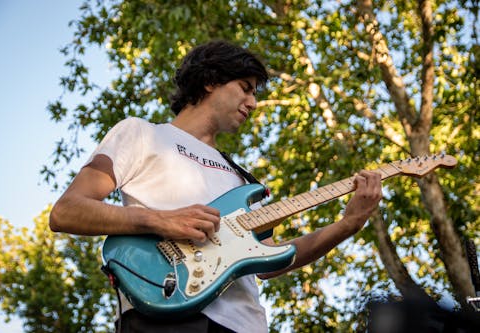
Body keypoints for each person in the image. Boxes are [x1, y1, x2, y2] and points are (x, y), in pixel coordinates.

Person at [49, 40, 382, 333]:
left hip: (245, 324)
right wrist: (160, 220)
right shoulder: (142, 134)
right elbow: (68, 211)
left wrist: (348, 225)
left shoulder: (244, 180)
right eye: (245, 87)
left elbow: (273, 261)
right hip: (166, 311)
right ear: (210, 81)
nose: (253, 103)